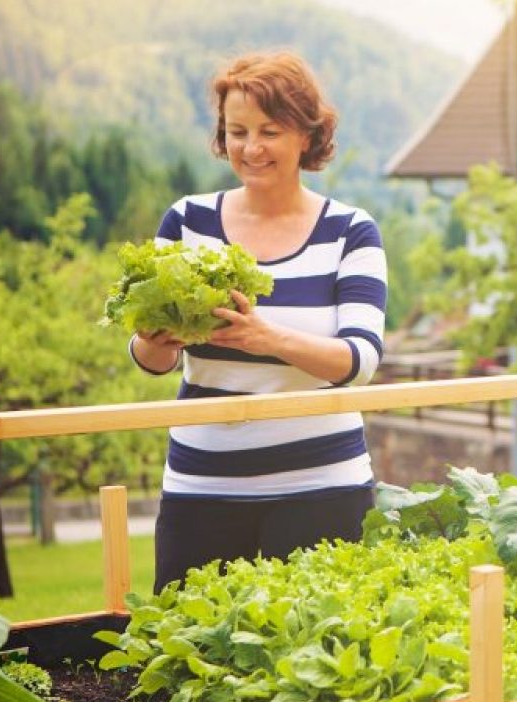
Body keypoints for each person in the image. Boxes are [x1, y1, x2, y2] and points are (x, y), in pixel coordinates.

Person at [129, 52, 386, 591]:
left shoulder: (351, 232)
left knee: (314, 659)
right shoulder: (187, 221)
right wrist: (152, 341)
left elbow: (359, 362)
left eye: (270, 131)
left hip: (323, 486)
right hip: (202, 485)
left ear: (306, 136)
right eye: (237, 131)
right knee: (189, 653)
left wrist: (263, 337)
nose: (251, 148)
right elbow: (153, 360)